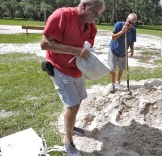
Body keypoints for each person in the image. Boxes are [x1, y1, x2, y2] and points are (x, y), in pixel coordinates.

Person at [39, 0, 105, 156]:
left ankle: (71, 125)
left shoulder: (91, 27)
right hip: (59, 67)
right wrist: (75, 50)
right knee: (73, 105)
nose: (96, 17)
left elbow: (86, 47)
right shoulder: (62, 15)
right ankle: (68, 142)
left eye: (98, 14)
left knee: (78, 100)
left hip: (77, 70)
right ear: (83, 6)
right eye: (94, 12)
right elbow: (44, 44)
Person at [108, 13, 138, 93]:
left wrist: (132, 49)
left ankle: (118, 81)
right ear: (126, 19)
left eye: (133, 23)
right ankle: (112, 84)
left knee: (121, 68)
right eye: (130, 22)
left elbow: (132, 41)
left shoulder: (133, 30)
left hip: (123, 52)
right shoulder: (118, 25)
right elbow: (113, 37)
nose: (130, 25)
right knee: (112, 68)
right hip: (113, 50)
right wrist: (122, 31)